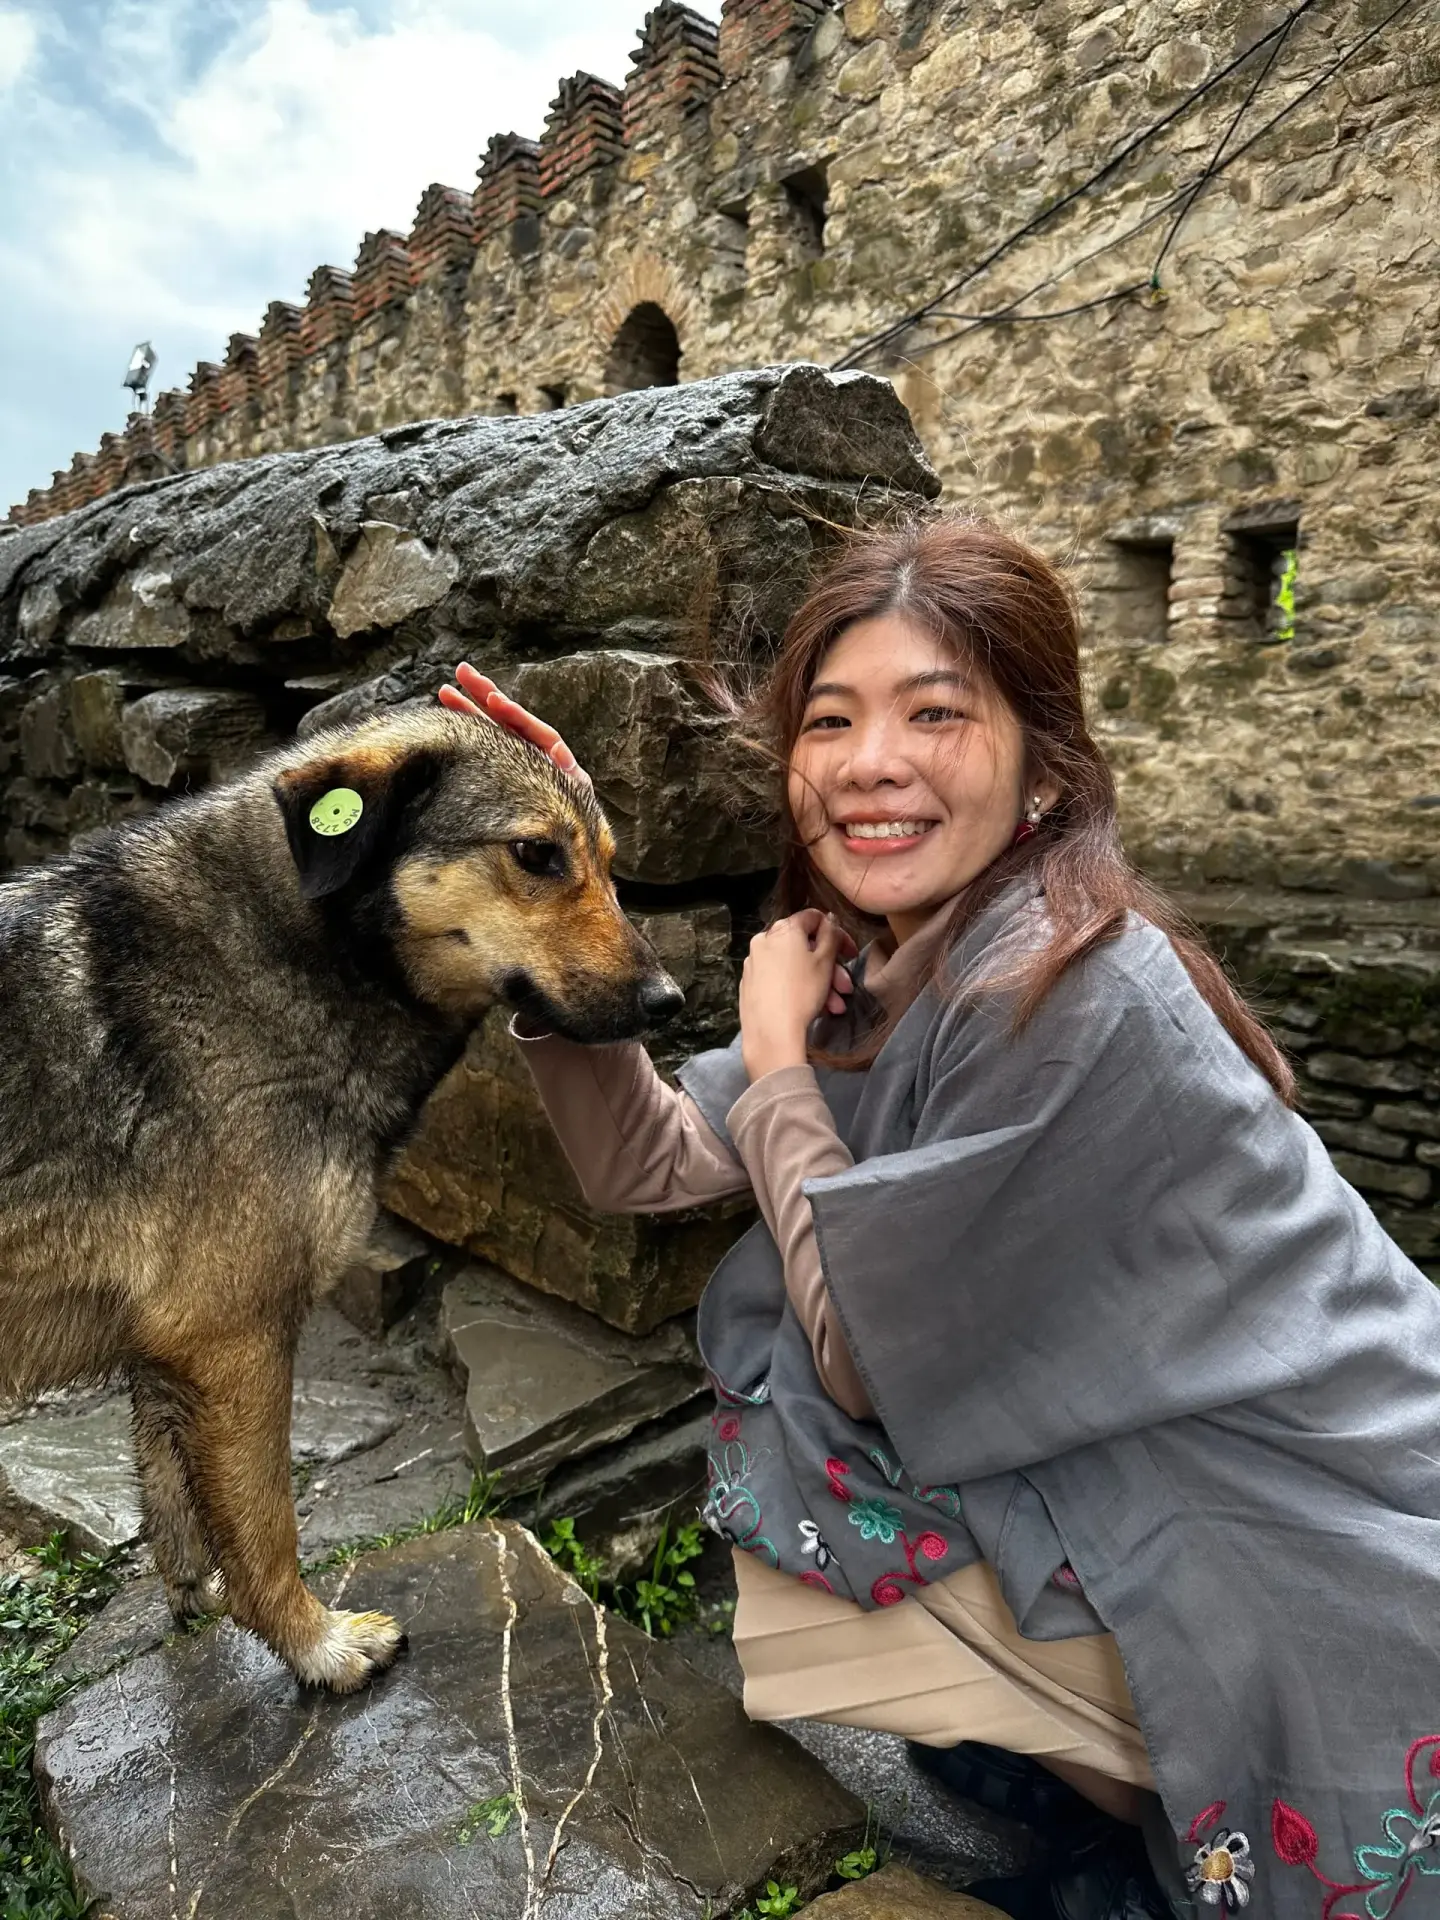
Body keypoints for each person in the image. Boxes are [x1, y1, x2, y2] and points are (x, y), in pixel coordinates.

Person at [439, 515, 1440, 1920]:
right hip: (1140, 1438)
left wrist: (780, 1061)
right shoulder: (898, 956)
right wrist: (563, 903)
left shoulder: (1076, 990)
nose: (870, 762)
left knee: (827, 1405)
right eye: (831, 720)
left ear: (1043, 762)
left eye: (936, 714)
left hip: (1317, 1500)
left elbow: (868, 1352)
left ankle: (1139, 1802)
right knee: (803, 1430)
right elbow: (646, 1164)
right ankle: (1096, 1778)